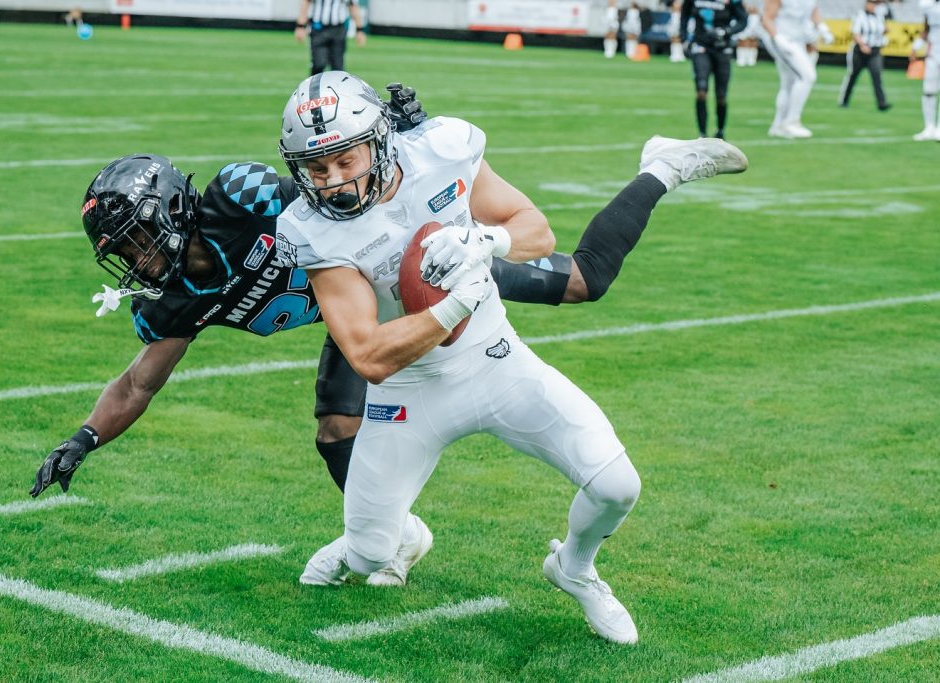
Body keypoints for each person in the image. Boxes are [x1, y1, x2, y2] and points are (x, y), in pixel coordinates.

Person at [27, 81, 686, 586]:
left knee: (583, 280)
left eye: (139, 240)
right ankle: (388, 535)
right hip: (350, 315)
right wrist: (83, 438)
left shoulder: (239, 197)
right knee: (335, 429)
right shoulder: (174, 301)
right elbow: (140, 380)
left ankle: (659, 168)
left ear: (172, 208)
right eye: (126, 252)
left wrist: (407, 139)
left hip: (409, 271)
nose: (138, 261)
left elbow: (339, 186)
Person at [275, 70, 747, 642]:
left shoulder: (441, 152)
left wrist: (485, 242)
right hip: (407, 393)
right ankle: (379, 540)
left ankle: (573, 567)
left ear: (380, 141)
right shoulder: (311, 229)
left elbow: (535, 230)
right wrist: (457, 303)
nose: (333, 183)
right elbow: (370, 357)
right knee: (372, 557)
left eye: (345, 161)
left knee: (618, 485)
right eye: (316, 169)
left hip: (497, 361)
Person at [762, 0, 830, 138]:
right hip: (783, 39)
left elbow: (813, 9)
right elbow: (766, 18)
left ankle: (778, 125)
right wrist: (777, 37)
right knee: (807, 76)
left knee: (789, 83)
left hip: (798, 40)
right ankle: (791, 122)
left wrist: (822, 27)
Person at [681, 0, 747, 138]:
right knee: (701, 89)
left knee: (721, 95)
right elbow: (684, 14)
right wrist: (684, 39)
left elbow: (743, 21)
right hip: (701, 45)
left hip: (722, 48)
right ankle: (702, 134)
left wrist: (726, 31)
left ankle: (720, 131)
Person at [838, 0, 892, 110]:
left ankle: (882, 103)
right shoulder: (860, 16)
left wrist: (884, 32)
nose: (873, 6)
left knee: (877, 76)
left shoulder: (879, 16)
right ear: (866, 4)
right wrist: (863, 45)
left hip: (874, 50)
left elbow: (883, 30)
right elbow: (855, 33)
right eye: (871, 3)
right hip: (860, 51)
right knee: (853, 75)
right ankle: (844, 100)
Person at [295, 0, 366, 76]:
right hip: (319, 28)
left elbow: (353, 6)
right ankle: (314, 87)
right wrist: (300, 26)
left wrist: (359, 30)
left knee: (338, 67)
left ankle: (338, 87)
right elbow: (306, 2)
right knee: (319, 64)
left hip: (338, 29)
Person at [913, 0, 940, 140]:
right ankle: (928, 127)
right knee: (928, 91)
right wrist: (916, 47)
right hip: (933, 54)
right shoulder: (928, 6)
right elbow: (926, 29)